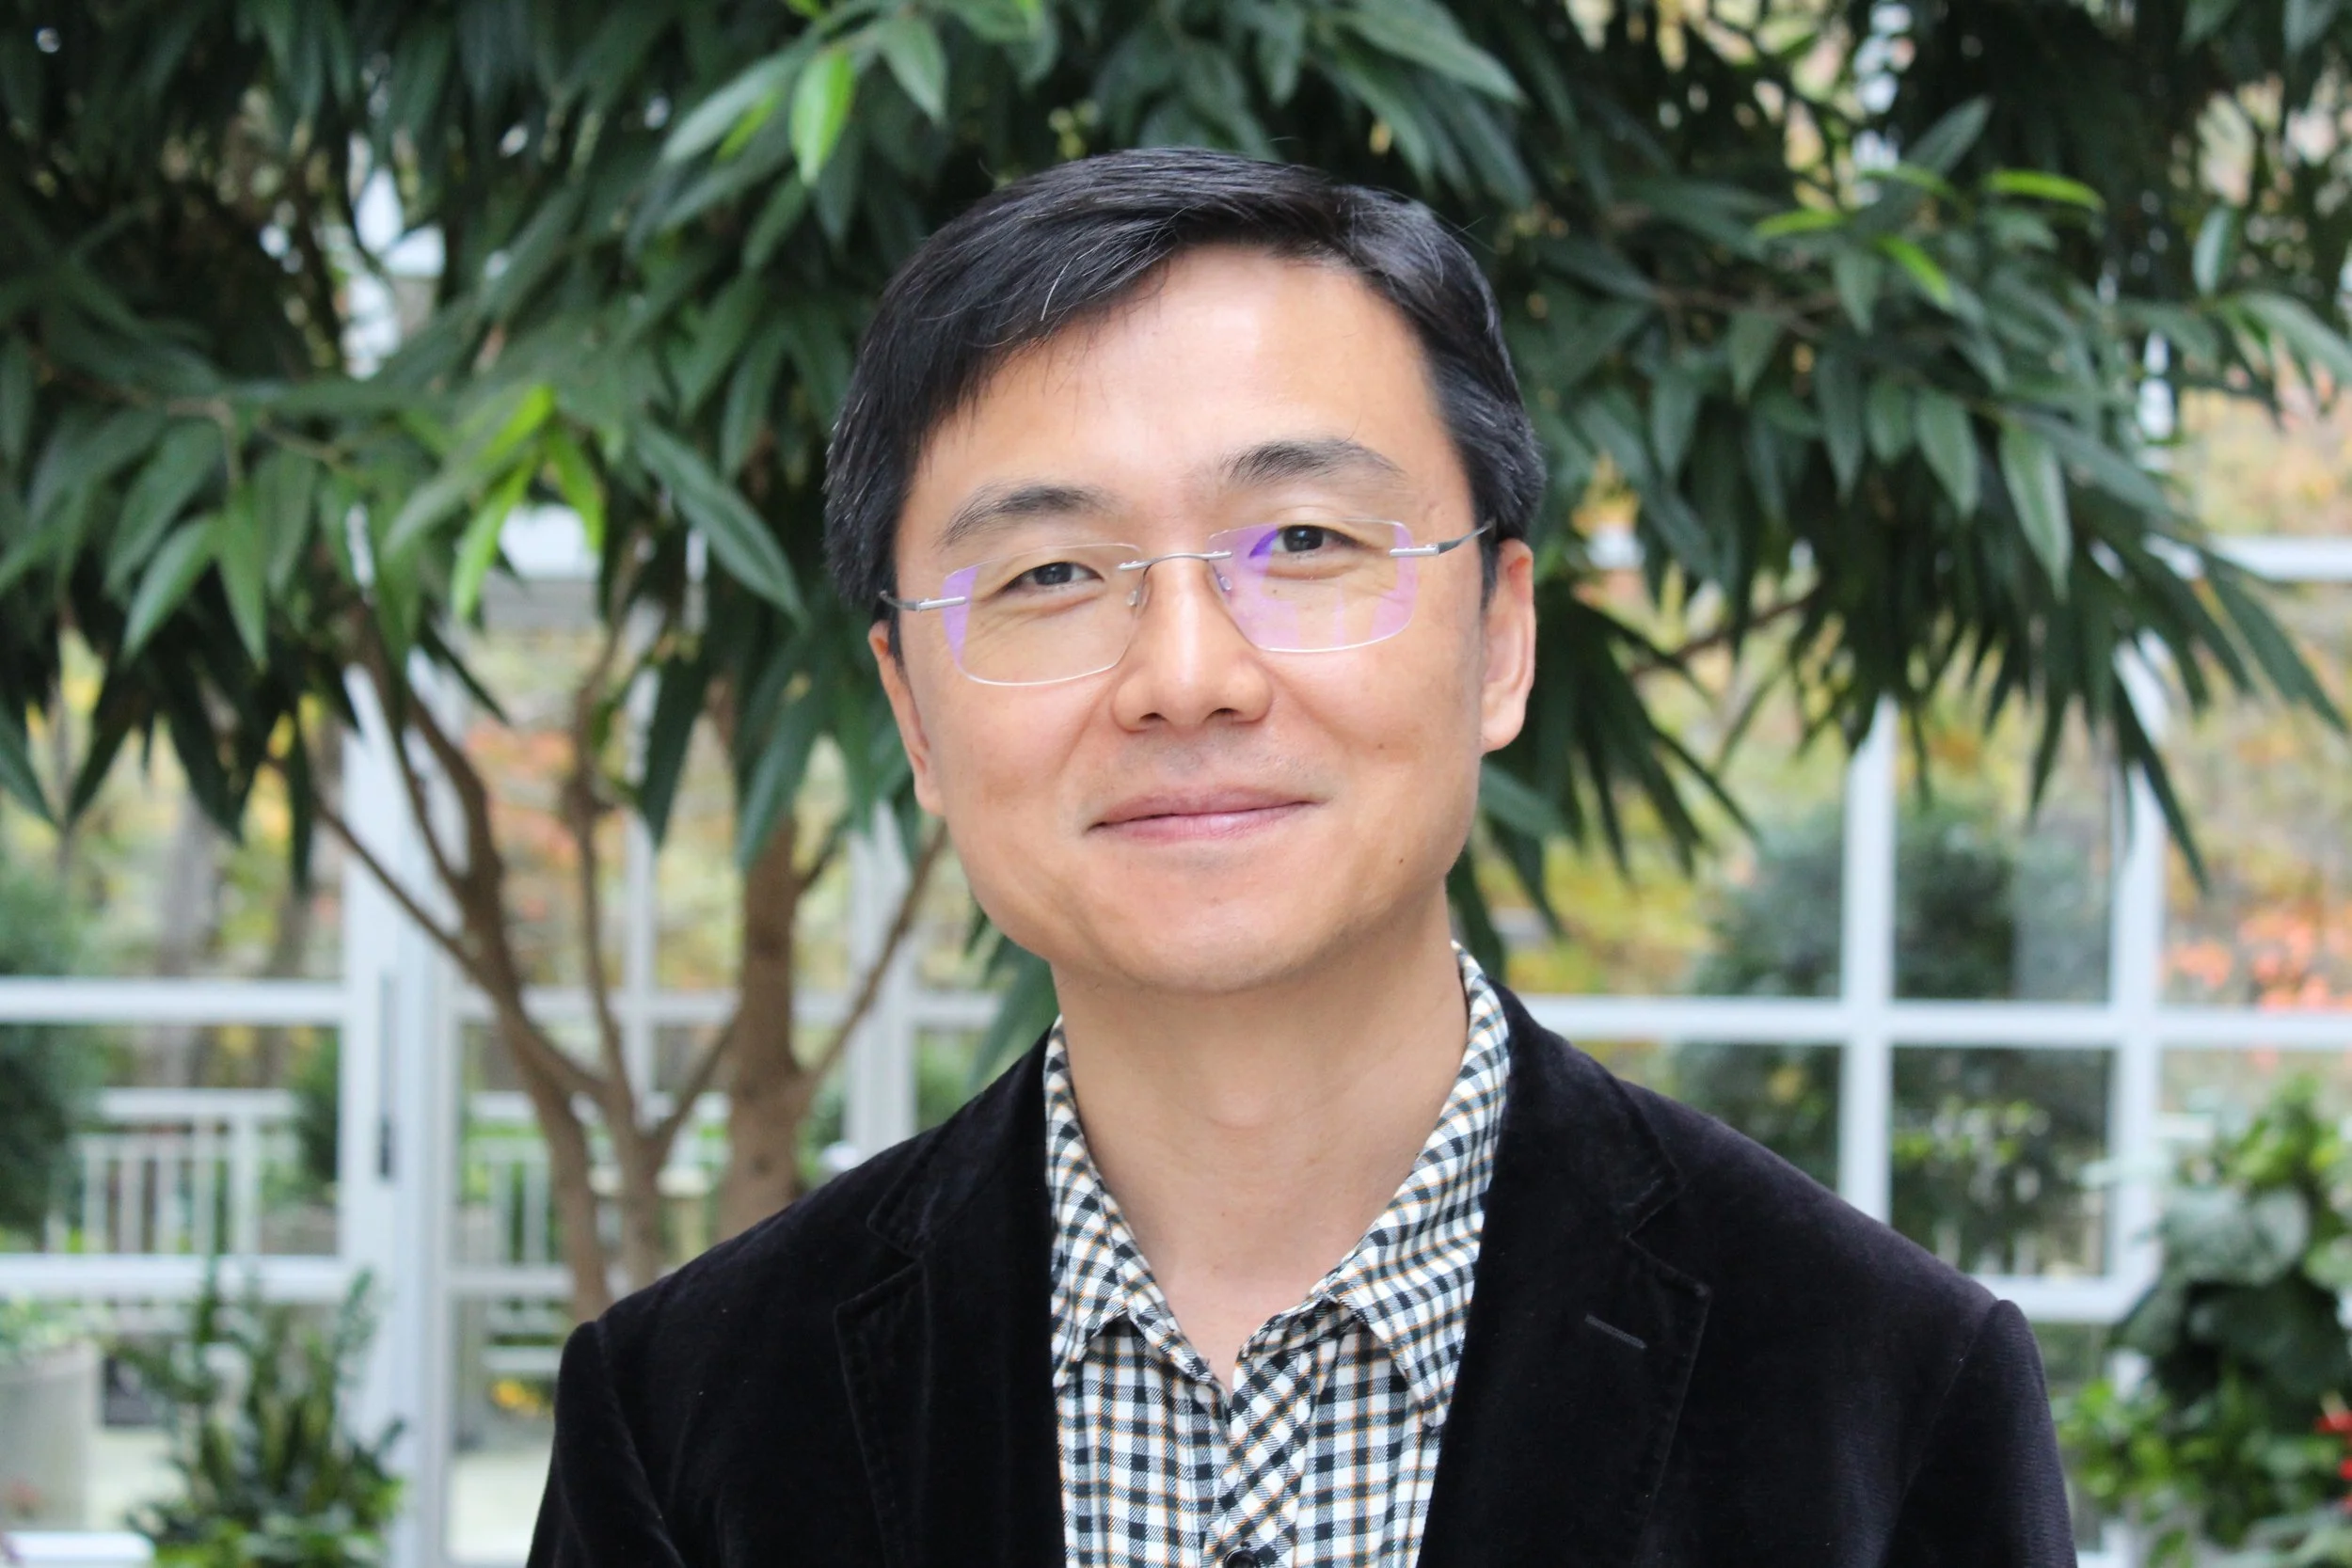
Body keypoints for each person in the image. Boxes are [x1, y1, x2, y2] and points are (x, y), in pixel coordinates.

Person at [528, 148, 2076, 1568]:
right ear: (912, 719)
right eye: (1054, 571)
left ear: (1503, 640)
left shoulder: (1883, 1394)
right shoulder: (683, 1422)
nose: (1186, 673)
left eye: (1309, 543)